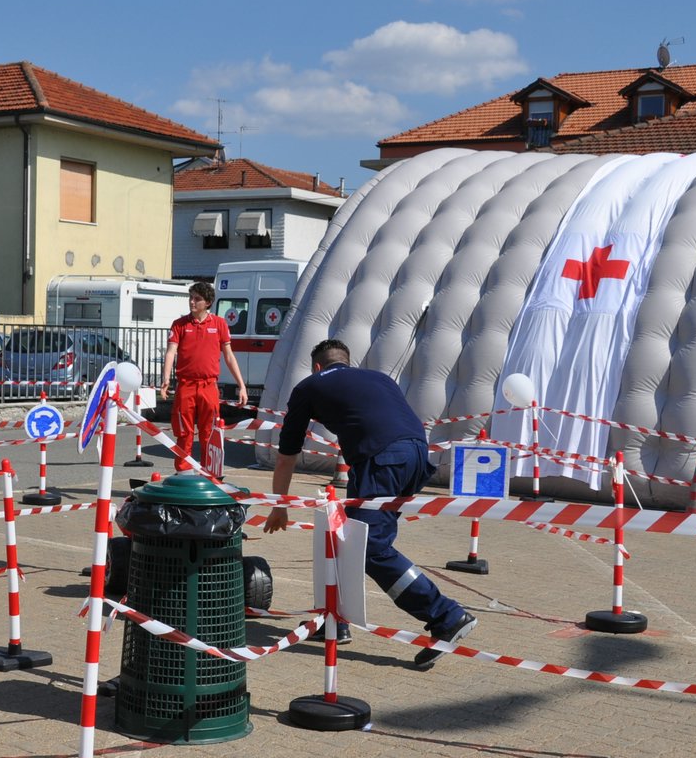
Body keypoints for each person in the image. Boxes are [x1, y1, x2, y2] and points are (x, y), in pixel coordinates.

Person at [264, 338, 476, 668]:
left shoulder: (308, 386)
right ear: (347, 362)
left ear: (317, 366)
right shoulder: (378, 378)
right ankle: (336, 620)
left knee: (369, 547)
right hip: (416, 455)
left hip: (381, 460)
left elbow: (286, 456)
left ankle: (446, 616)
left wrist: (279, 506)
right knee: (345, 535)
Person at [159, 280, 248, 473]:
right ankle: (183, 472)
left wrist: (241, 385)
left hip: (209, 386)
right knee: (184, 431)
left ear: (207, 302)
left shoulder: (219, 323)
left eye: (197, 299)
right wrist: (166, 378)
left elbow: (229, 356)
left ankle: (210, 472)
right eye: (190, 298)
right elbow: (171, 352)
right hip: (186, 385)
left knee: (210, 432)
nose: (192, 302)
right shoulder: (180, 324)